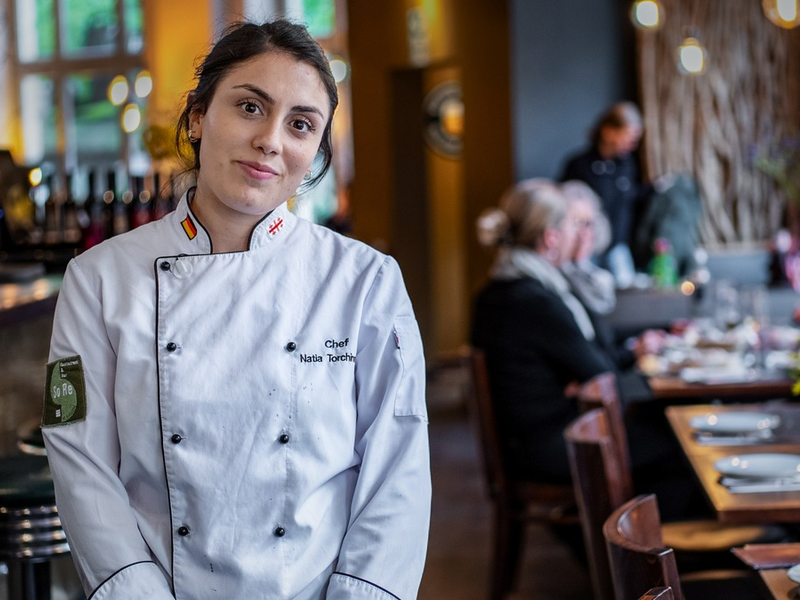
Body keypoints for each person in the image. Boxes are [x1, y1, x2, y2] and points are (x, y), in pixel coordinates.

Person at [41, 20, 431, 600]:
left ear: (315, 148)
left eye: (301, 124)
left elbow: (398, 465)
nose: (272, 140)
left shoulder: (367, 282)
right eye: (250, 107)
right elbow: (76, 455)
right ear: (199, 117)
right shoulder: (96, 280)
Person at [471, 179, 663, 485]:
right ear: (550, 237)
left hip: (525, 441)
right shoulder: (537, 300)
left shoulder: (495, 290)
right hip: (551, 444)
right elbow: (604, 378)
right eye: (571, 227)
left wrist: (577, 382)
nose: (577, 236)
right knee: (674, 441)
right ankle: (621, 530)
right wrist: (580, 383)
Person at [560, 102, 650, 287]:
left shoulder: (628, 166)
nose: (632, 145)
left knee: (627, 297)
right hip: (587, 249)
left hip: (618, 247)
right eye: (628, 136)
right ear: (608, 132)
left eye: (635, 139)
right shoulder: (579, 165)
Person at [559, 180, 617, 315]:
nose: (584, 233)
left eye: (589, 223)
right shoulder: (551, 279)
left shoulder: (599, 279)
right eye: (577, 223)